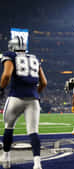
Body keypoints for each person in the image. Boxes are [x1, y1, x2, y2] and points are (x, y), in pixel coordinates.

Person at [0, 36, 47, 169]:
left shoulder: (10, 55)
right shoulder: (34, 58)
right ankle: (37, 163)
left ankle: (6, 157)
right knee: (33, 131)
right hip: (32, 99)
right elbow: (44, 82)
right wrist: (36, 93)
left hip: (16, 97)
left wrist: (1, 88)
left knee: (9, 127)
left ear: (12, 46)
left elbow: (7, 75)